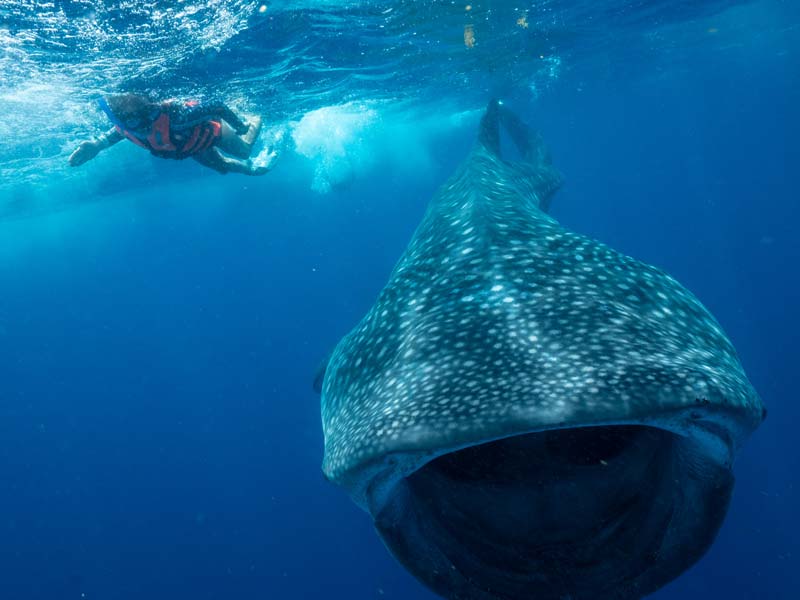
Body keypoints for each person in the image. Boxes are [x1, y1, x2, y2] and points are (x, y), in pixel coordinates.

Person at [69, 93, 276, 175]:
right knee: (221, 166)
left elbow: (218, 107)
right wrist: (97, 145)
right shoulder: (129, 125)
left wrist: (240, 126)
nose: (126, 125)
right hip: (192, 146)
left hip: (215, 131)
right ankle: (252, 171)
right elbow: (118, 133)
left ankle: (256, 117)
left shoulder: (175, 117)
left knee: (244, 151)